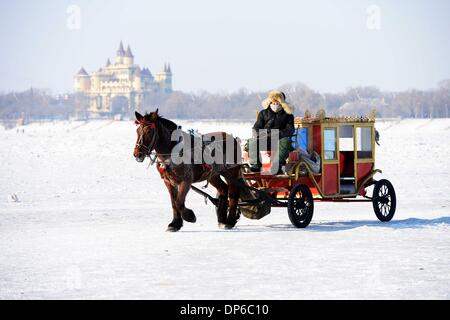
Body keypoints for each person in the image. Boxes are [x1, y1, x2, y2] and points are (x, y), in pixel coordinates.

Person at [248, 90, 295, 173]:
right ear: (270, 101)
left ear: (282, 103)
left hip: (279, 140)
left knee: (286, 141)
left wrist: (277, 134)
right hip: (265, 139)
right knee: (252, 141)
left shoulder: (288, 115)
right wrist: (262, 134)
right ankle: (255, 165)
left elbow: (289, 130)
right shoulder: (263, 113)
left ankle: (277, 165)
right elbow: (256, 127)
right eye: (274, 102)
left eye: (278, 102)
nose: (275, 104)